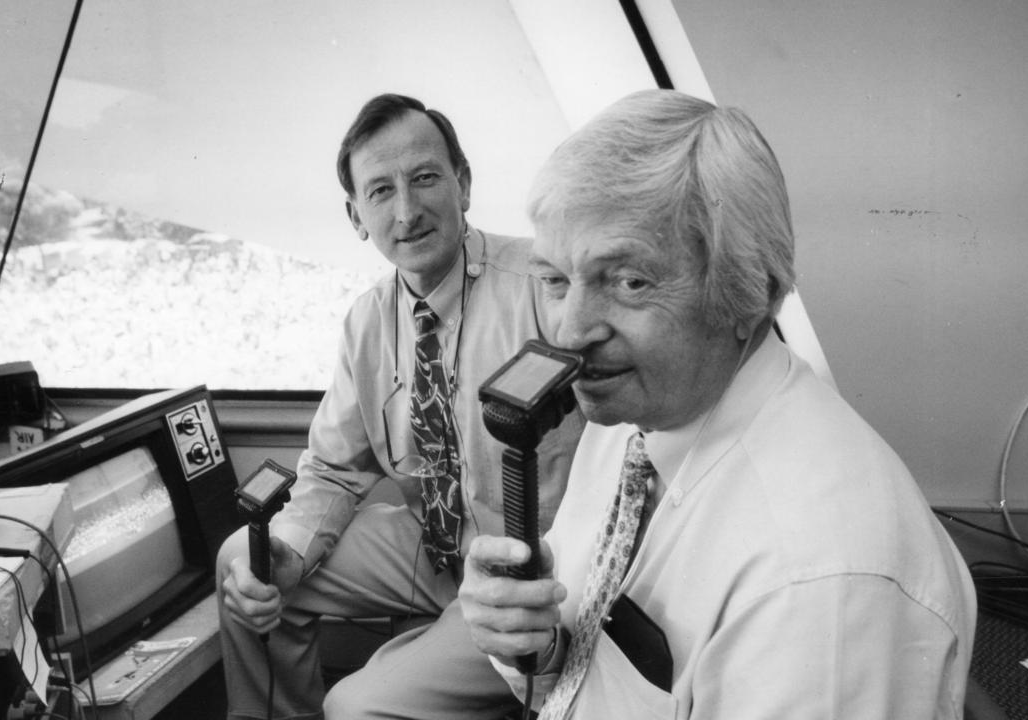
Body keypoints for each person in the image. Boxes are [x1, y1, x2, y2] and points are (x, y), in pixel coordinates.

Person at [458, 89, 977, 719]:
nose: (570, 333)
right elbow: (583, 669)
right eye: (557, 281)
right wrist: (533, 645)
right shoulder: (632, 415)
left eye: (630, 281)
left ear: (746, 291)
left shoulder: (818, 582)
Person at [216, 93, 583, 720]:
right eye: (381, 191)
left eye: (425, 178)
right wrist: (288, 554)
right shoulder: (367, 321)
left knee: (356, 707)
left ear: (463, 184)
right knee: (245, 563)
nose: (407, 211)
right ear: (357, 215)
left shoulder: (547, 288)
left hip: (523, 568)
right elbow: (333, 468)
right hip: (434, 547)